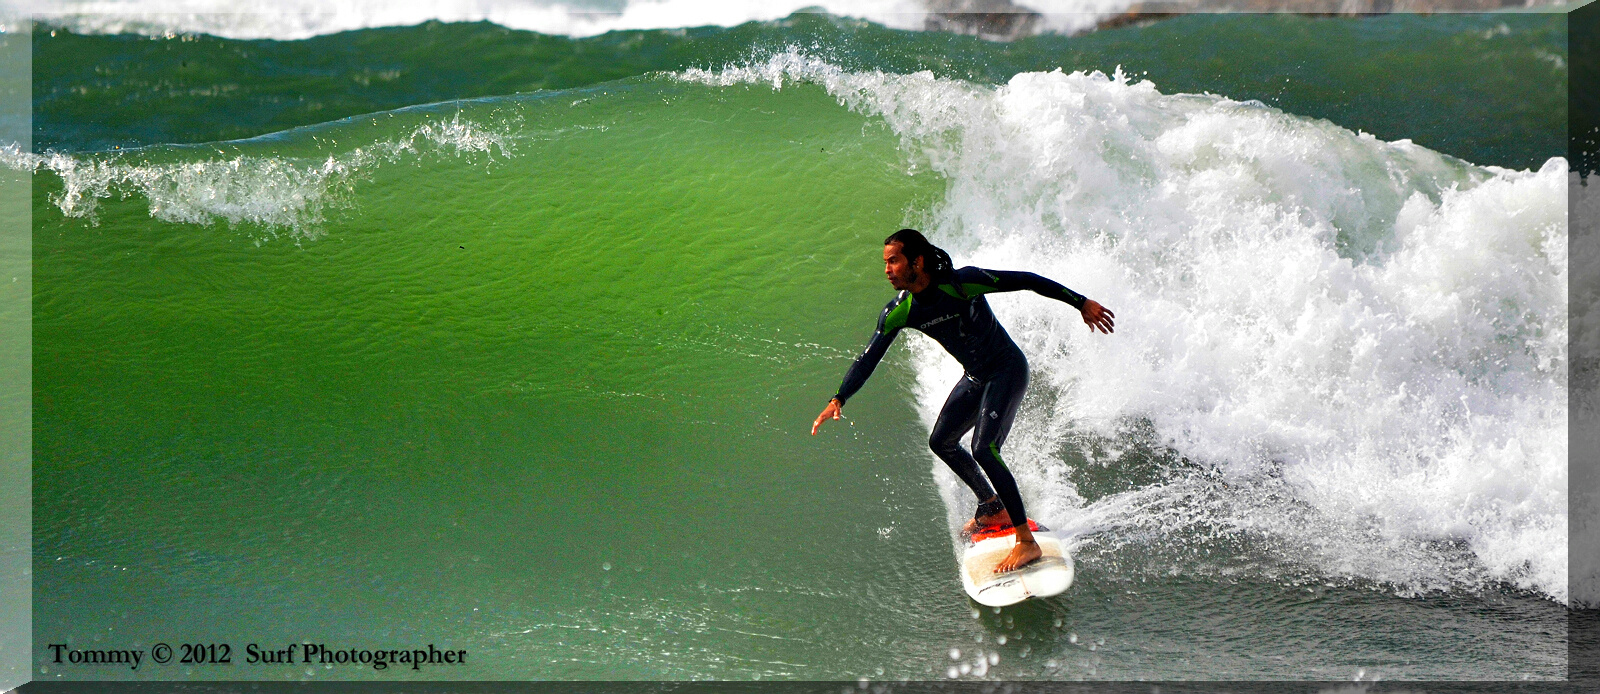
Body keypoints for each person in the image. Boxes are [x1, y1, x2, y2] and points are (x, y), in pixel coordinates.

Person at [811, 229, 1115, 573]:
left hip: (1006, 369)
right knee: (941, 441)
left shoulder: (962, 283)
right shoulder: (901, 310)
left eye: (893, 261)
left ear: (917, 261)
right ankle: (991, 507)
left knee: (984, 448)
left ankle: (1026, 543)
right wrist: (840, 397)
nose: (887, 269)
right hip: (975, 377)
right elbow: (869, 356)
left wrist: (1081, 303)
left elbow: (1027, 280)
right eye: (886, 263)